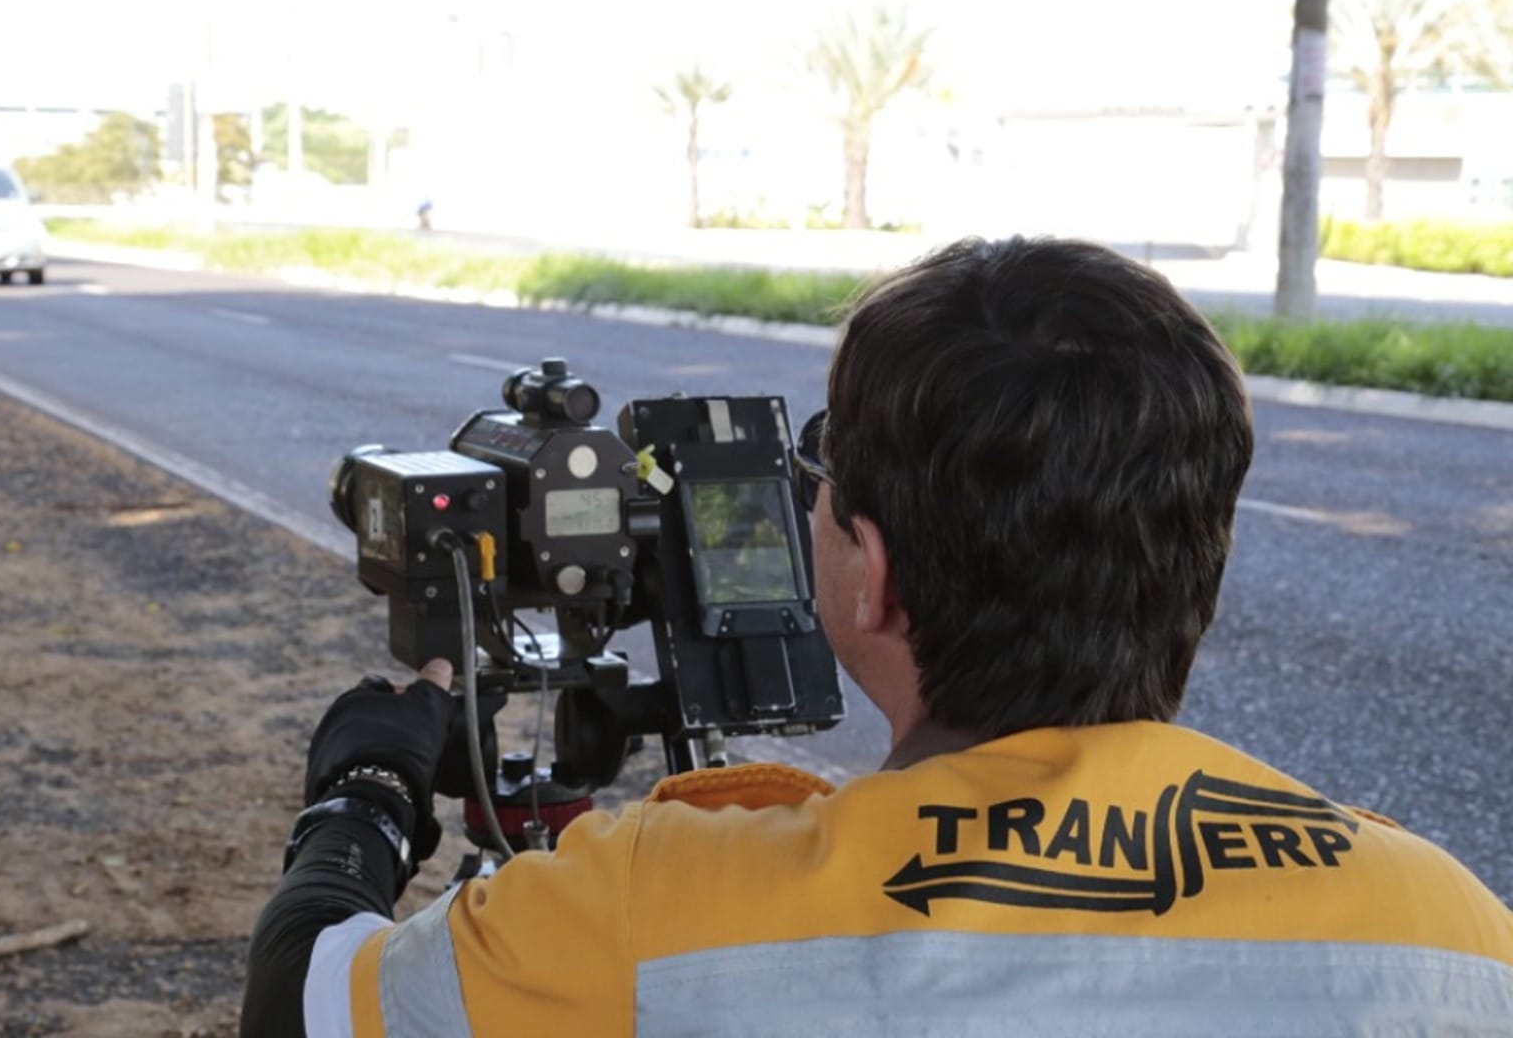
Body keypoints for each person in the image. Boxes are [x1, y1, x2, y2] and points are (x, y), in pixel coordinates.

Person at [242, 237, 1513, 1035]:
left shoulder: (658, 903)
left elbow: (304, 1003)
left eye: (822, 477)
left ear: (879, 576)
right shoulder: (1451, 927)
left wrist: (364, 794)